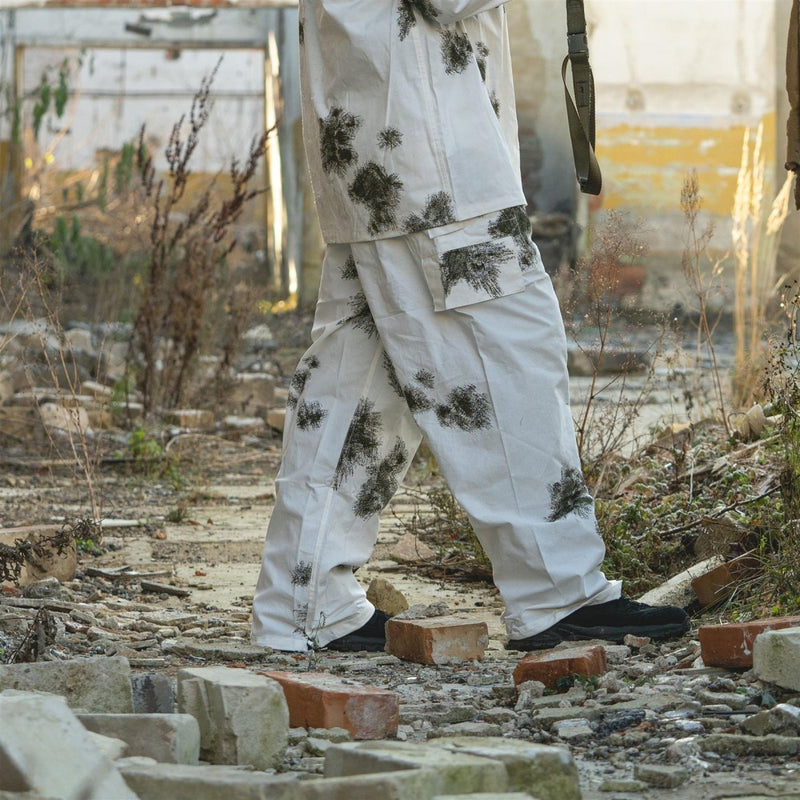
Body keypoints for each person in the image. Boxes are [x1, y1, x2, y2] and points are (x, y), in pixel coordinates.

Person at [251, 0, 689, 653]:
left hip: (380, 131)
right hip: (429, 150)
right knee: (508, 351)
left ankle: (303, 599)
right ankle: (556, 592)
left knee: (358, 376)